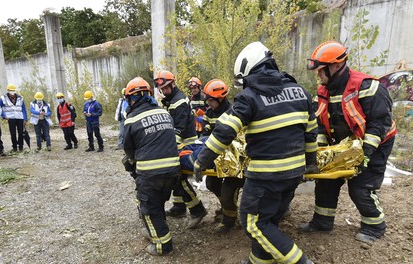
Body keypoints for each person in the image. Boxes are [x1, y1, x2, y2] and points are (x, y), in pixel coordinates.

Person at [194, 42, 317, 263]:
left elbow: (225, 132)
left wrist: (201, 160)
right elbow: (311, 133)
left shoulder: (249, 97)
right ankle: (258, 260)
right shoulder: (300, 92)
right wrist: (311, 163)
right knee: (268, 220)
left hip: (266, 175)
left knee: (254, 222)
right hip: (294, 174)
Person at [300, 40, 397, 244]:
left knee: (360, 186)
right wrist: (319, 152)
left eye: (321, 70)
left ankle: (374, 226)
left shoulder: (368, 87)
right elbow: (319, 123)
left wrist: (366, 153)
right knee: (326, 180)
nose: (318, 75)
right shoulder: (324, 91)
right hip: (344, 143)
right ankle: (322, 222)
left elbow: (380, 123)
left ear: (336, 65)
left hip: (377, 143)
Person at [122, 77, 180, 256]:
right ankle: (156, 230)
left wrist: (133, 164)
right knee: (158, 203)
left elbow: (128, 149)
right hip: (173, 171)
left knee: (148, 208)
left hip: (150, 174)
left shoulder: (132, 119)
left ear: (131, 99)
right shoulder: (164, 112)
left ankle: (163, 245)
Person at [154, 69, 207, 229]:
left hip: (186, 145)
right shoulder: (172, 100)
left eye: (166, 88)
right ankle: (179, 207)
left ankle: (197, 209)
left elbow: (179, 128)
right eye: (162, 89)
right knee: (177, 176)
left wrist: (167, 148)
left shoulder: (178, 101)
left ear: (173, 84)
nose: (164, 91)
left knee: (177, 178)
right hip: (180, 143)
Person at [199, 79, 245, 233]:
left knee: (228, 190)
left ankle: (228, 220)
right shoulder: (209, 114)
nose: (208, 104)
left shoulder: (234, 112)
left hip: (233, 161)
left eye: (211, 100)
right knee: (212, 184)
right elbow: (205, 135)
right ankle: (227, 207)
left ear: (220, 98)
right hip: (215, 157)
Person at [0, 84, 28, 152]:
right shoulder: (3, 98)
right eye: (11, 90)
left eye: (13, 90)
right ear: (8, 90)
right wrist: (4, 115)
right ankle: (14, 147)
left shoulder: (20, 98)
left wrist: (25, 118)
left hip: (19, 117)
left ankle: (21, 147)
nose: (12, 92)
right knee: (13, 133)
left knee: (21, 133)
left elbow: (23, 108)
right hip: (11, 118)